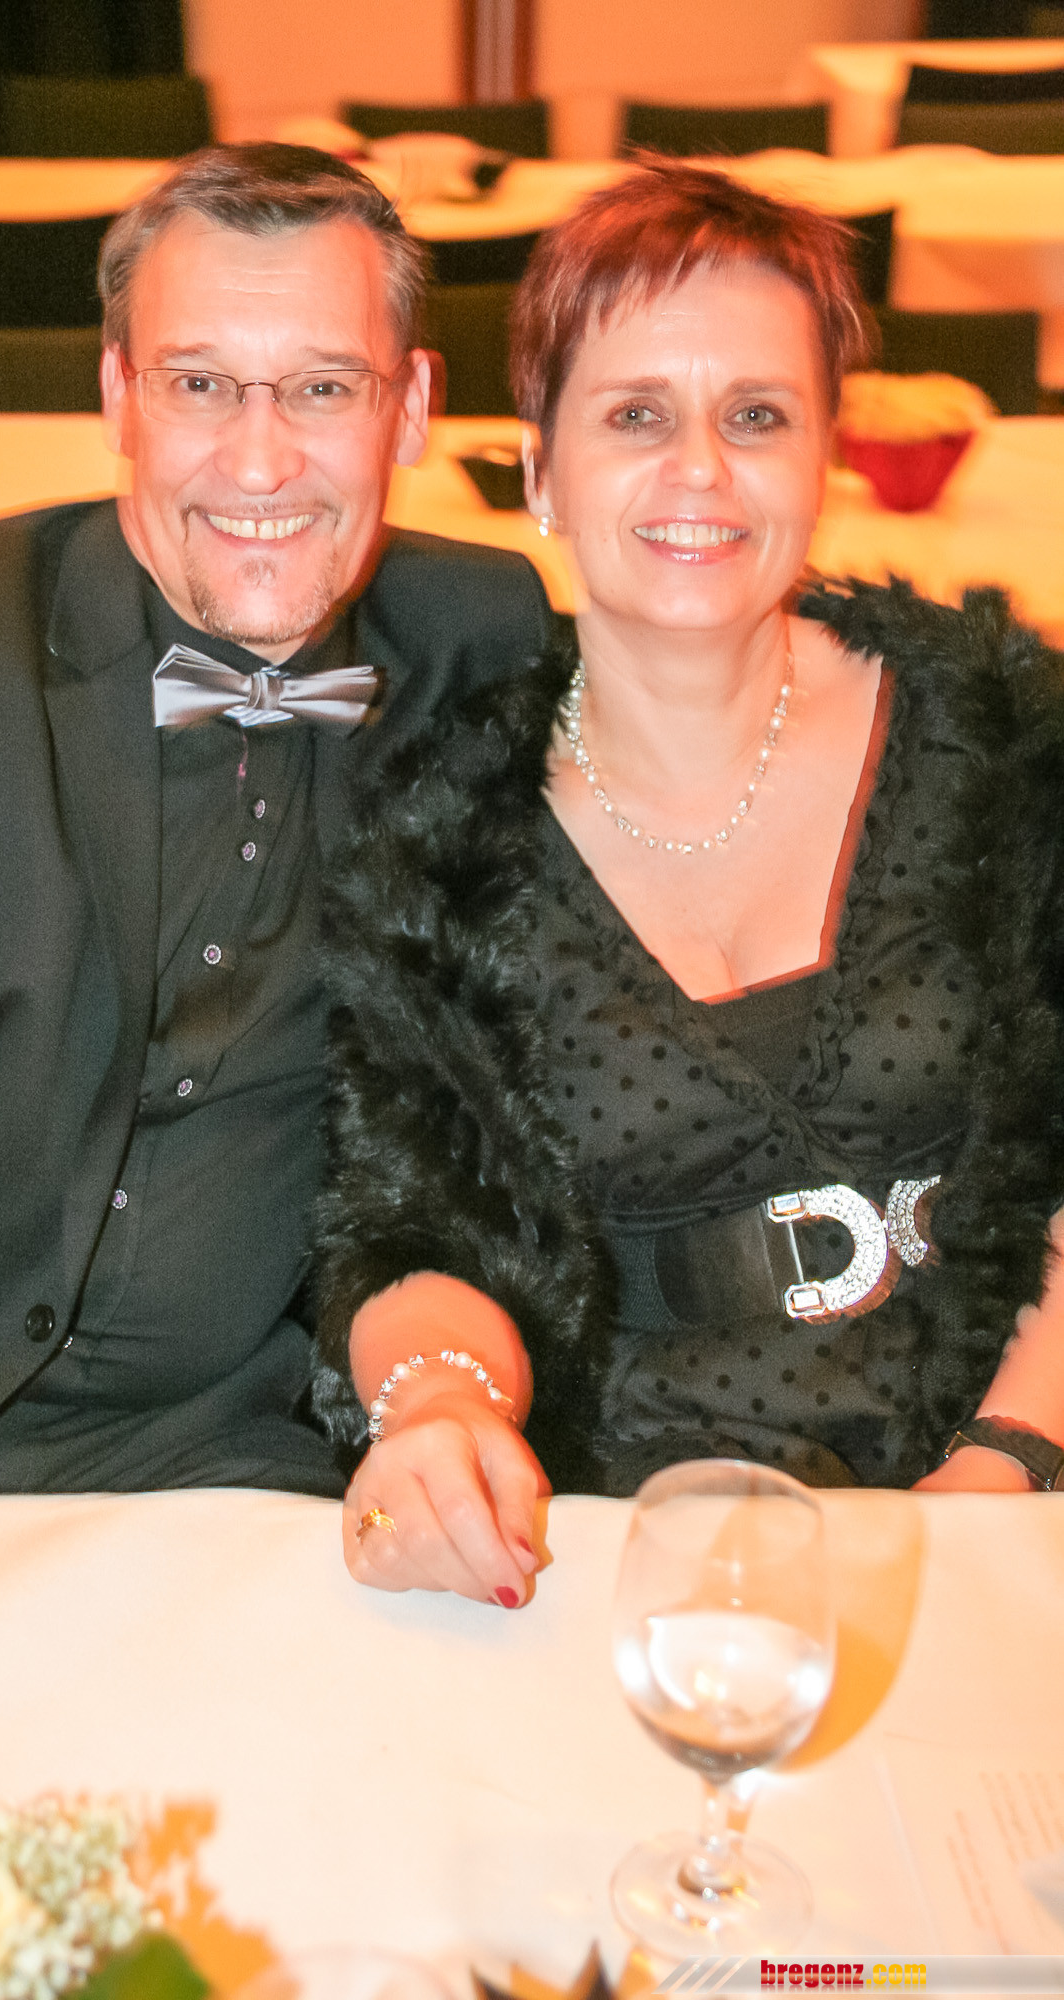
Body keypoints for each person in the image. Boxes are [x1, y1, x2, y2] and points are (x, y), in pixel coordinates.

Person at [0, 142, 551, 1507]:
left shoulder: (477, 637)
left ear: (410, 407)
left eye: (324, 387)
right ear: (119, 395)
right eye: (198, 384)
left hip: (253, 1464)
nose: (260, 460)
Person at [313, 160, 1064, 1606]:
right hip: (625, 1541)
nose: (701, 470)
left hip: (1012, 1493)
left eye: (756, 416)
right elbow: (406, 1227)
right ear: (540, 469)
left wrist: (1003, 1469)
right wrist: (442, 1404)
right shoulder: (443, 839)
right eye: (636, 416)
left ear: (825, 453)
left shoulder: (1003, 734)